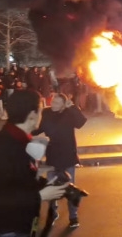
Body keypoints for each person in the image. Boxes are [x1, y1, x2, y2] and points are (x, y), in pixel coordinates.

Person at [0, 89, 68, 237]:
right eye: (41, 109)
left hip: (19, 225)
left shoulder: (19, 141)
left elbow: (16, 181)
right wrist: (40, 196)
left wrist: (47, 185)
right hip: (6, 229)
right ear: (32, 115)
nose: (41, 115)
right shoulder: (4, 146)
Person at [32, 93, 87, 228]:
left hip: (68, 155)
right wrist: (25, 132)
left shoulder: (69, 113)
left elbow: (81, 122)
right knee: (51, 187)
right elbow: (39, 128)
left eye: (57, 103)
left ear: (63, 104)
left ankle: (73, 216)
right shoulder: (46, 113)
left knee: (70, 188)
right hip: (53, 156)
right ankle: (53, 213)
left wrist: (73, 107)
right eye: (53, 102)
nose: (54, 105)